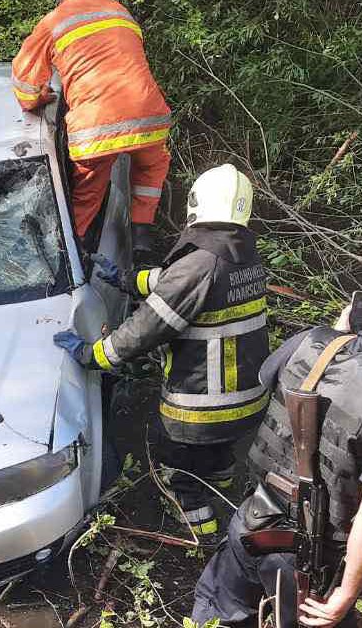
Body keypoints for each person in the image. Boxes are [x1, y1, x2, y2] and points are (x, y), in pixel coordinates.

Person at [191, 275, 362, 628]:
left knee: (217, 615)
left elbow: (271, 377)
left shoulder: (316, 340)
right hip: (316, 560)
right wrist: (346, 595)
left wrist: (338, 341)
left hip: (253, 519)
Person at [53, 164, 270, 537]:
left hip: (200, 411)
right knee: (217, 455)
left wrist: (94, 355)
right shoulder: (244, 256)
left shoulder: (198, 267)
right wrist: (125, 280)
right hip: (248, 401)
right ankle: (220, 478)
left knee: (176, 468)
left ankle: (201, 533)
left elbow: (143, 331)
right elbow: (179, 281)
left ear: (197, 204)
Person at [11, 0, 171, 255]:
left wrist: (38, 99)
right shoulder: (122, 13)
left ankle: (76, 250)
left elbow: (25, 83)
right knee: (150, 172)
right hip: (148, 117)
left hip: (96, 127)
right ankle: (142, 242)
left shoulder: (54, 21)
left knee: (86, 195)